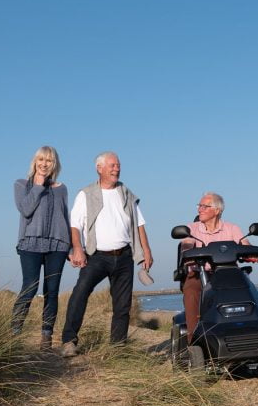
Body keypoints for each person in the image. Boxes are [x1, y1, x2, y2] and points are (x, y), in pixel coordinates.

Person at [60, 151, 154, 357]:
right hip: (96, 256)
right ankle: (69, 340)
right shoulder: (85, 194)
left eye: (118, 165)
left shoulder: (126, 192)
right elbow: (75, 226)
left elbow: (139, 224)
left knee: (122, 305)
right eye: (112, 165)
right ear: (99, 168)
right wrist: (77, 248)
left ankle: (117, 348)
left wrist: (146, 250)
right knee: (80, 292)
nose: (116, 168)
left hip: (124, 256)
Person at [12, 145, 71, 350]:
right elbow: (26, 210)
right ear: (35, 162)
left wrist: (71, 246)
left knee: (52, 291)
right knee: (29, 287)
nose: (44, 164)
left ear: (54, 164)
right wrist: (37, 185)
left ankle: (46, 338)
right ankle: (14, 334)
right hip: (30, 243)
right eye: (41, 160)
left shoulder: (61, 188)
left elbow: (65, 216)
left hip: (58, 244)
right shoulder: (22, 185)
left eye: (49, 160)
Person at [179, 192, 249, 338]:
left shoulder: (232, 228)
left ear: (217, 210)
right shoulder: (191, 228)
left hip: (227, 274)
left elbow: (245, 244)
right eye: (199, 206)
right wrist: (188, 252)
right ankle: (194, 340)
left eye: (205, 206)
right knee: (191, 290)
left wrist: (250, 252)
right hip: (199, 273)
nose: (200, 209)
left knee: (246, 289)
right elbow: (186, 246)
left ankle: (245, 330)